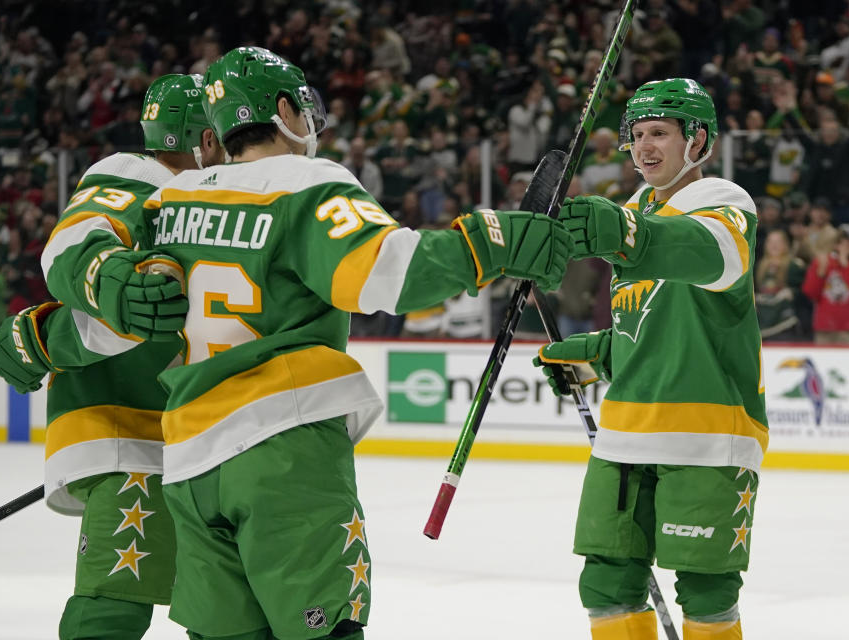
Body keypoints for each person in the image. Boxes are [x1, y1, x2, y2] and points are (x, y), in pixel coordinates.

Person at [140, 46, 573, 640]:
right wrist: (496, 240)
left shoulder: (169, 201)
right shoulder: (306, 183)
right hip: (280, 450)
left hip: (187, 460)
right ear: (285, 109)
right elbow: (394, 274)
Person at [0, 73, 223, 640]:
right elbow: (79, 253)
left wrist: (46, 336)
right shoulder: (136, 178)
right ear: (202, 137)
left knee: (224, 611)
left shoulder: (223, 200)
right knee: (114, 606)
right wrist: (87, 311)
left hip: (207, 441)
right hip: (132, 434)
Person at [535, 78, 767, 640]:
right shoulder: (633, 212)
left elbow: (706, 253)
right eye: (636, 136)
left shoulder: (725, 204)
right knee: (605, 586)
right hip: (624, 432)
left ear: (699, 139)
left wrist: (627, 233)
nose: (644, 148)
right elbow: (643, 331)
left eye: (659, 133)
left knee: (708, 590)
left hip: (708, 435)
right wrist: (590, 357)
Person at [802, 223, 849, 344]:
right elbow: (810, 293)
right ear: (835, 244)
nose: (847, 244)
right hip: (824, 327)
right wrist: (820, 273)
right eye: (842, 241)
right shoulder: (823, 261)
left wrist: (845, 264)